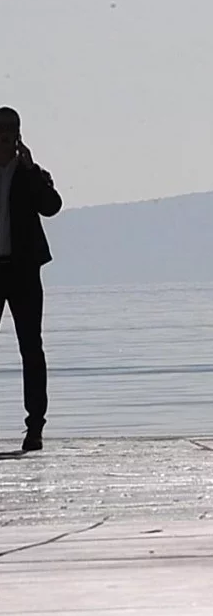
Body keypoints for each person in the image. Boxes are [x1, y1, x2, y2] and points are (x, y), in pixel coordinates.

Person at [0, 107, 62, 451]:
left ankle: (34, 426)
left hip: (23, 270)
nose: (4, 136)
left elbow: (52, 205)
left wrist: (31, 169)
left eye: (9, 130)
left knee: (31, 348)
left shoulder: (30, 174)